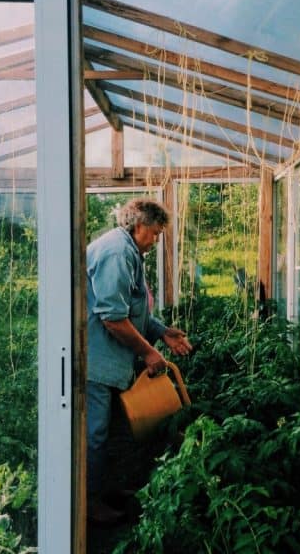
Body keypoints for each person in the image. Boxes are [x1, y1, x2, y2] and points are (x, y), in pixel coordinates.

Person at [86, 198, 192, 525]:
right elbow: (114, 319)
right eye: (156, 233)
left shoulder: (128, 250)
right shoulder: (117, 254)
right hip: (96, 362)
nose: (157, 240)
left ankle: (104, 492)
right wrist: (148, 352)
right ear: (139, 225)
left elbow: (132, 308)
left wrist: (160, 332)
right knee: (95, 435)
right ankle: (87, 506)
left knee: (111, 432)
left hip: (109, 361)